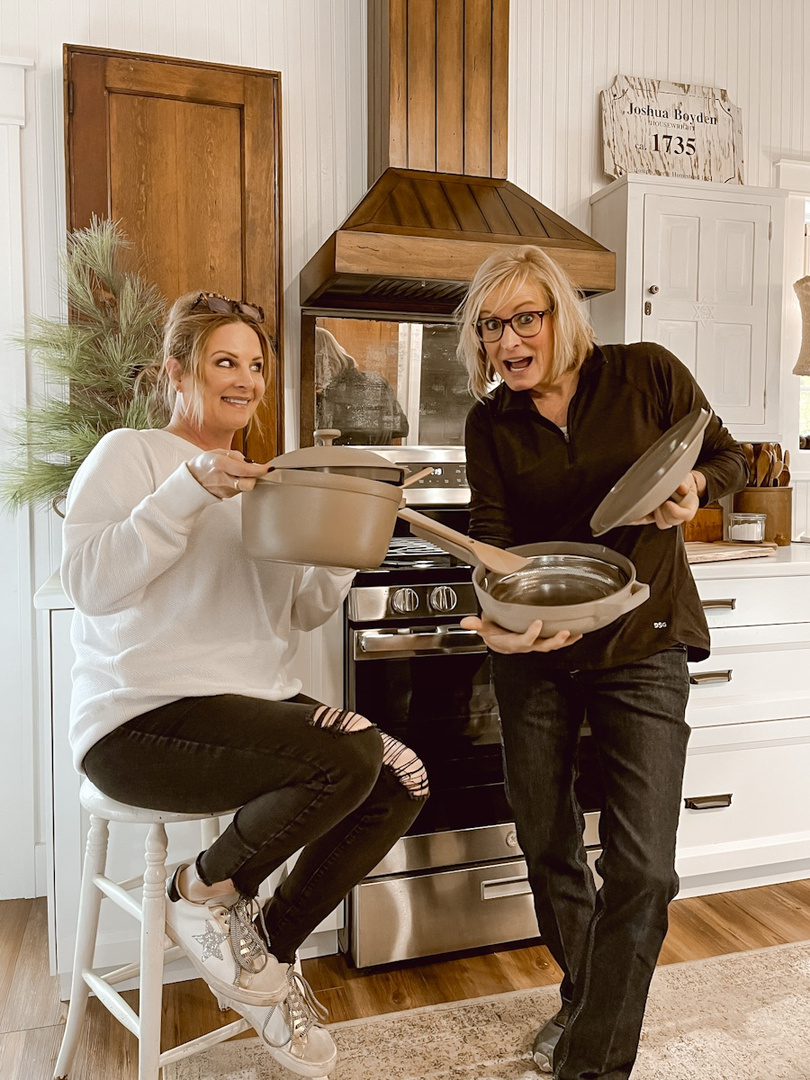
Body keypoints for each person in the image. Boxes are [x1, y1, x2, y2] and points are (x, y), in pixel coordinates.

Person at [60, 291, 428, 1078]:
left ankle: (259, 962)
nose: (246, 380)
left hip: (250, 706)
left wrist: (342, 546)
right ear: (178, 372)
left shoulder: (268, 484)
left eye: (255, 365)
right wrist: (189, 488)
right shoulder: (132, 455)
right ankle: (202, 895)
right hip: (140, 722)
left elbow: (292, 614)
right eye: (225, 361)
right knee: (351, 753)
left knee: (401, 775)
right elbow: (90, 582)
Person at [455, 247, 747, 1080]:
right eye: (490, 326)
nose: (507, 340)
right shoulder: (491, 424)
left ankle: (590, 1060)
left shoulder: (647, 374)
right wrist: (501, 626)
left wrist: (696, 488)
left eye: (523, 318)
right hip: (537, 654)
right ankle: (587, 1000)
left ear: (560, 314)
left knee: (645, 869)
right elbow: (497, 537)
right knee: (546, 841)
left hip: (643, 641)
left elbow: (724, 453)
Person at [315, 326, 409, 444]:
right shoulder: (376, 381)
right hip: (380, 459)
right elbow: (402, 429)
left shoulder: (327, 396)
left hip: (347, 460)